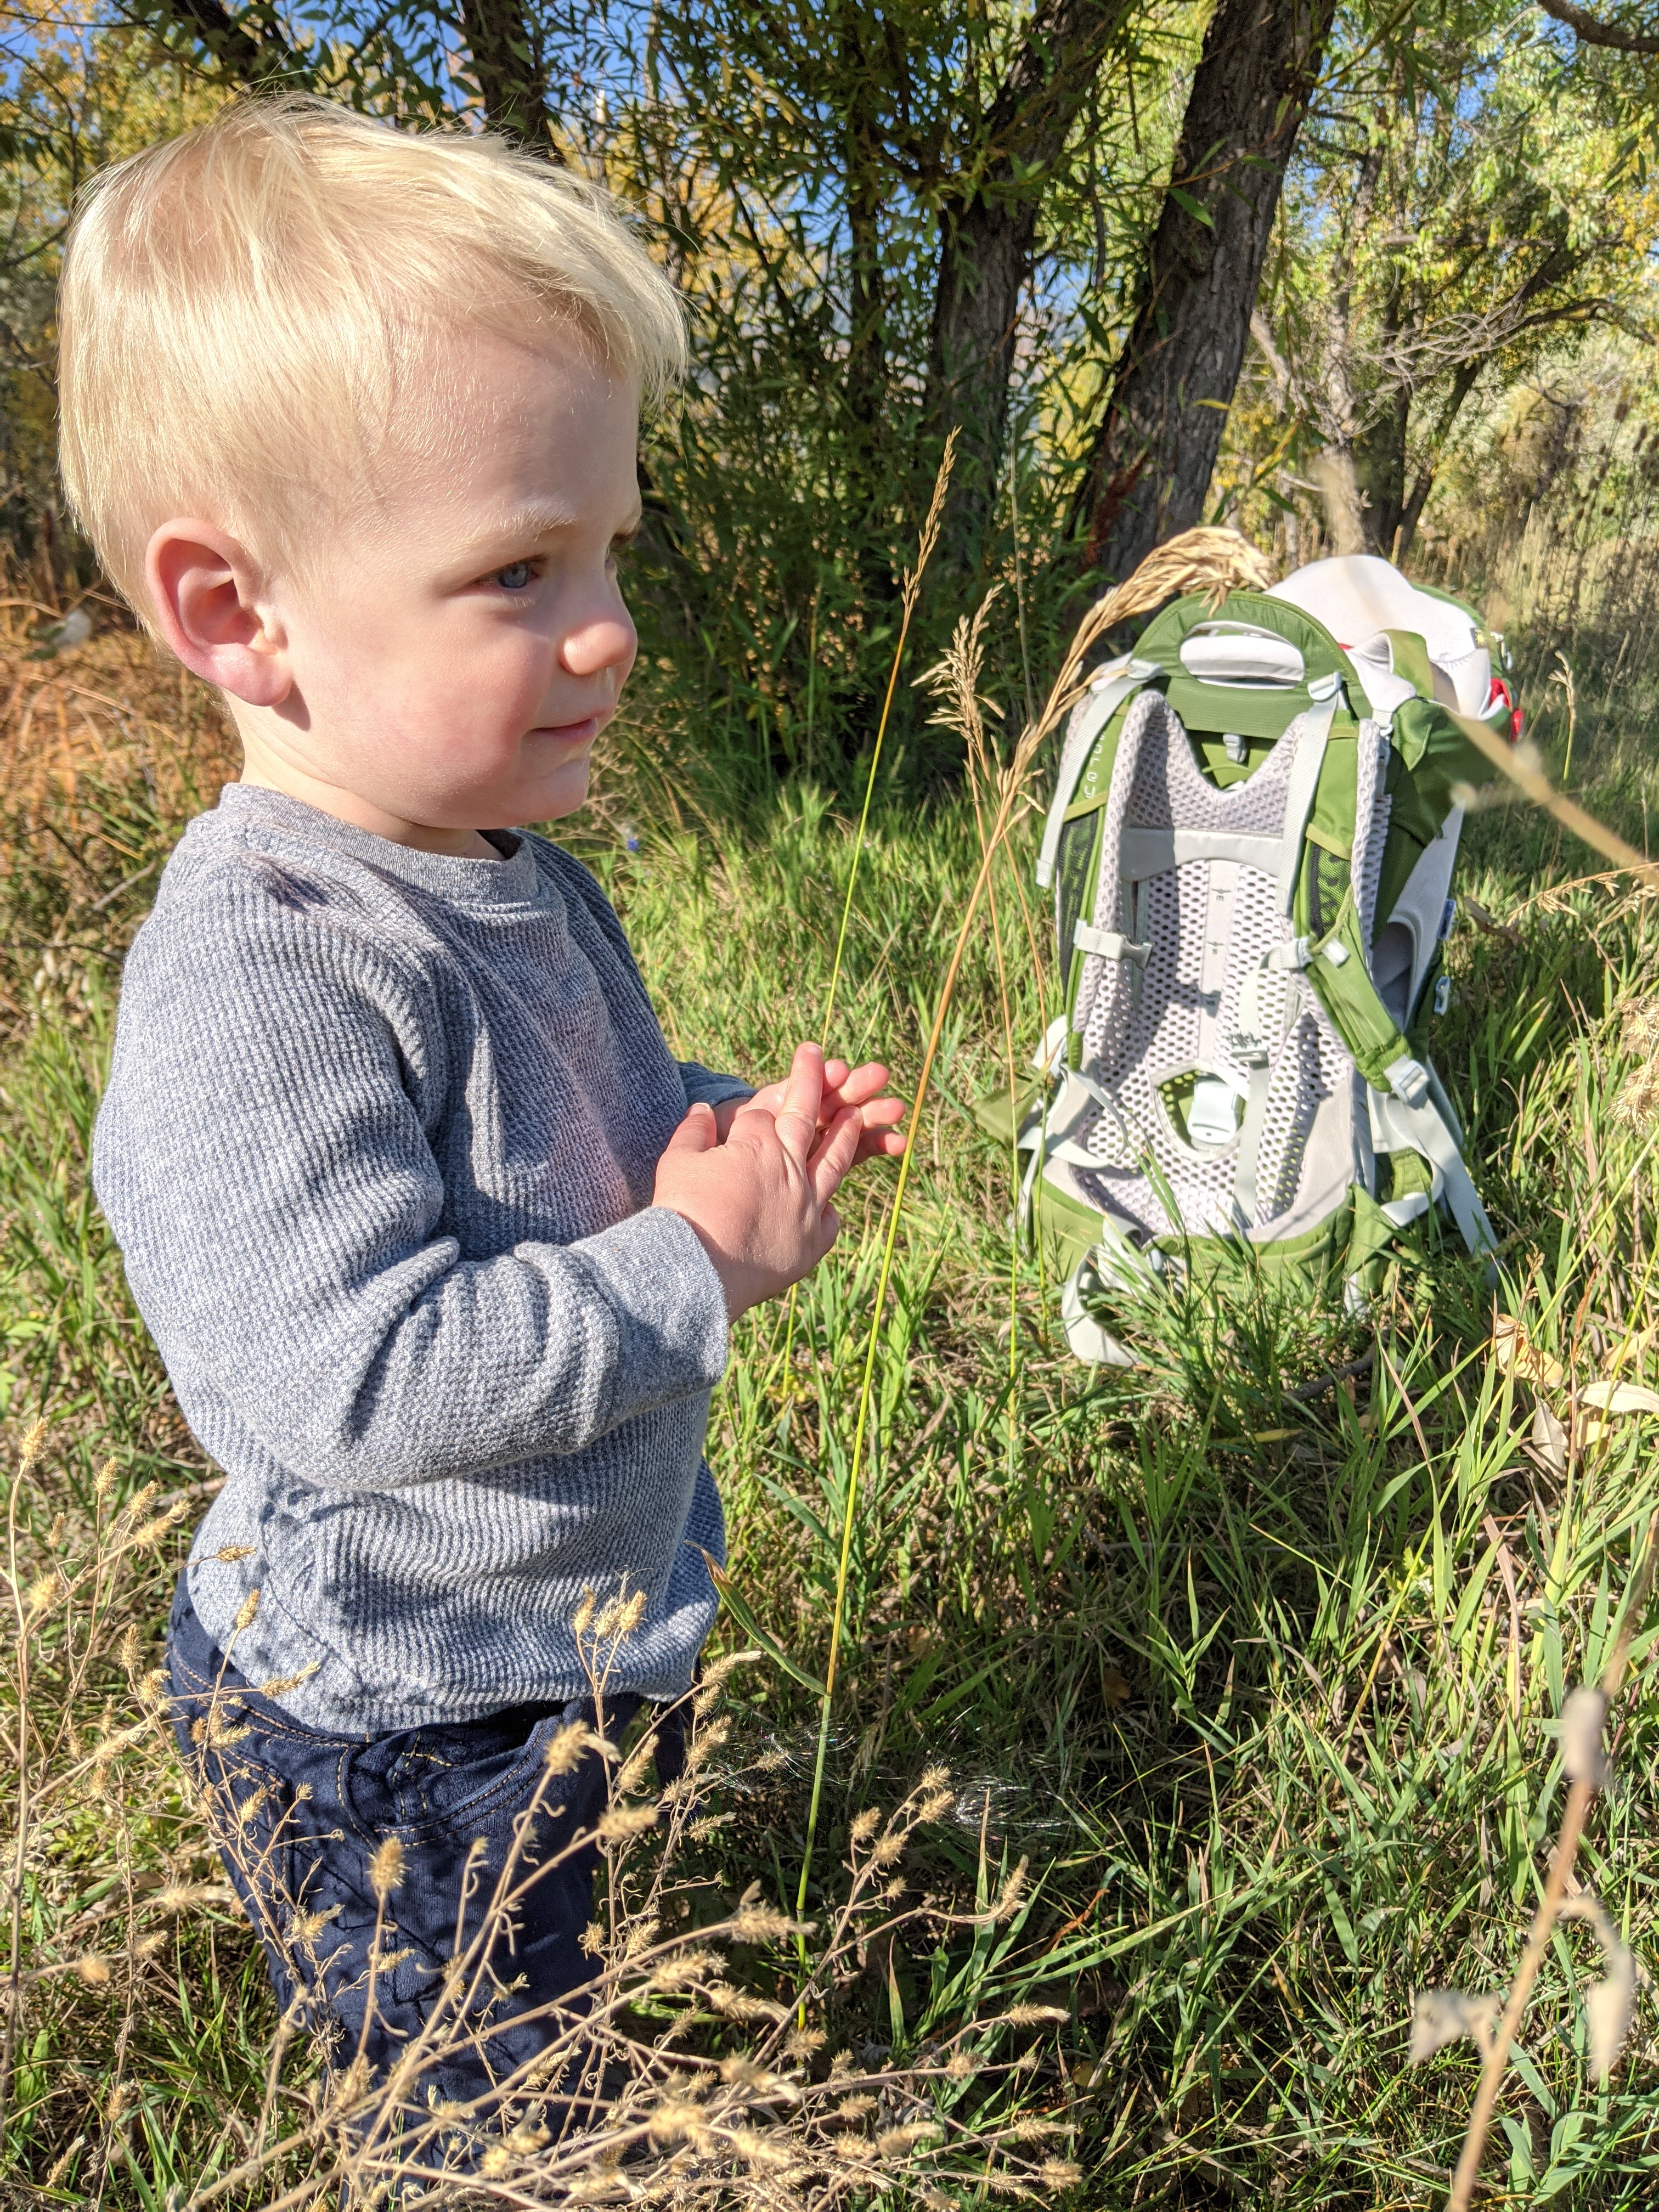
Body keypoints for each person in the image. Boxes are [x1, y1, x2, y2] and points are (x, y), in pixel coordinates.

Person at [58, 97, 904, 2128]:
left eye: (609, 545)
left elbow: (562, 1137)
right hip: (399, 1717)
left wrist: (723, 1137)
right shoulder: (262, 968)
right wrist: (693, 1260)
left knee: (564, 1999)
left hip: (555, 1646)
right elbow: (341, 1381)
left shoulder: (508, 859)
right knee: (483, 2126)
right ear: (238, 616)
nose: (608, 623)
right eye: (519, 568)